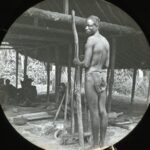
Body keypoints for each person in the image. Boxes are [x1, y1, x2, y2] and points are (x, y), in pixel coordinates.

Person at [73, 15, 110, 148]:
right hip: (102, 76)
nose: (86, 27)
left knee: (94, 111)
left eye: (89, 25)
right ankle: (102, 142)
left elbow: (86, 63)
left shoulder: (91, 40)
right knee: (102, 110)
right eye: (86, 25)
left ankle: (94, 146)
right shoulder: (106, 42)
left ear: (97, 25)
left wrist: (78, 61)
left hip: (91, 77)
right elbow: (106, 63)